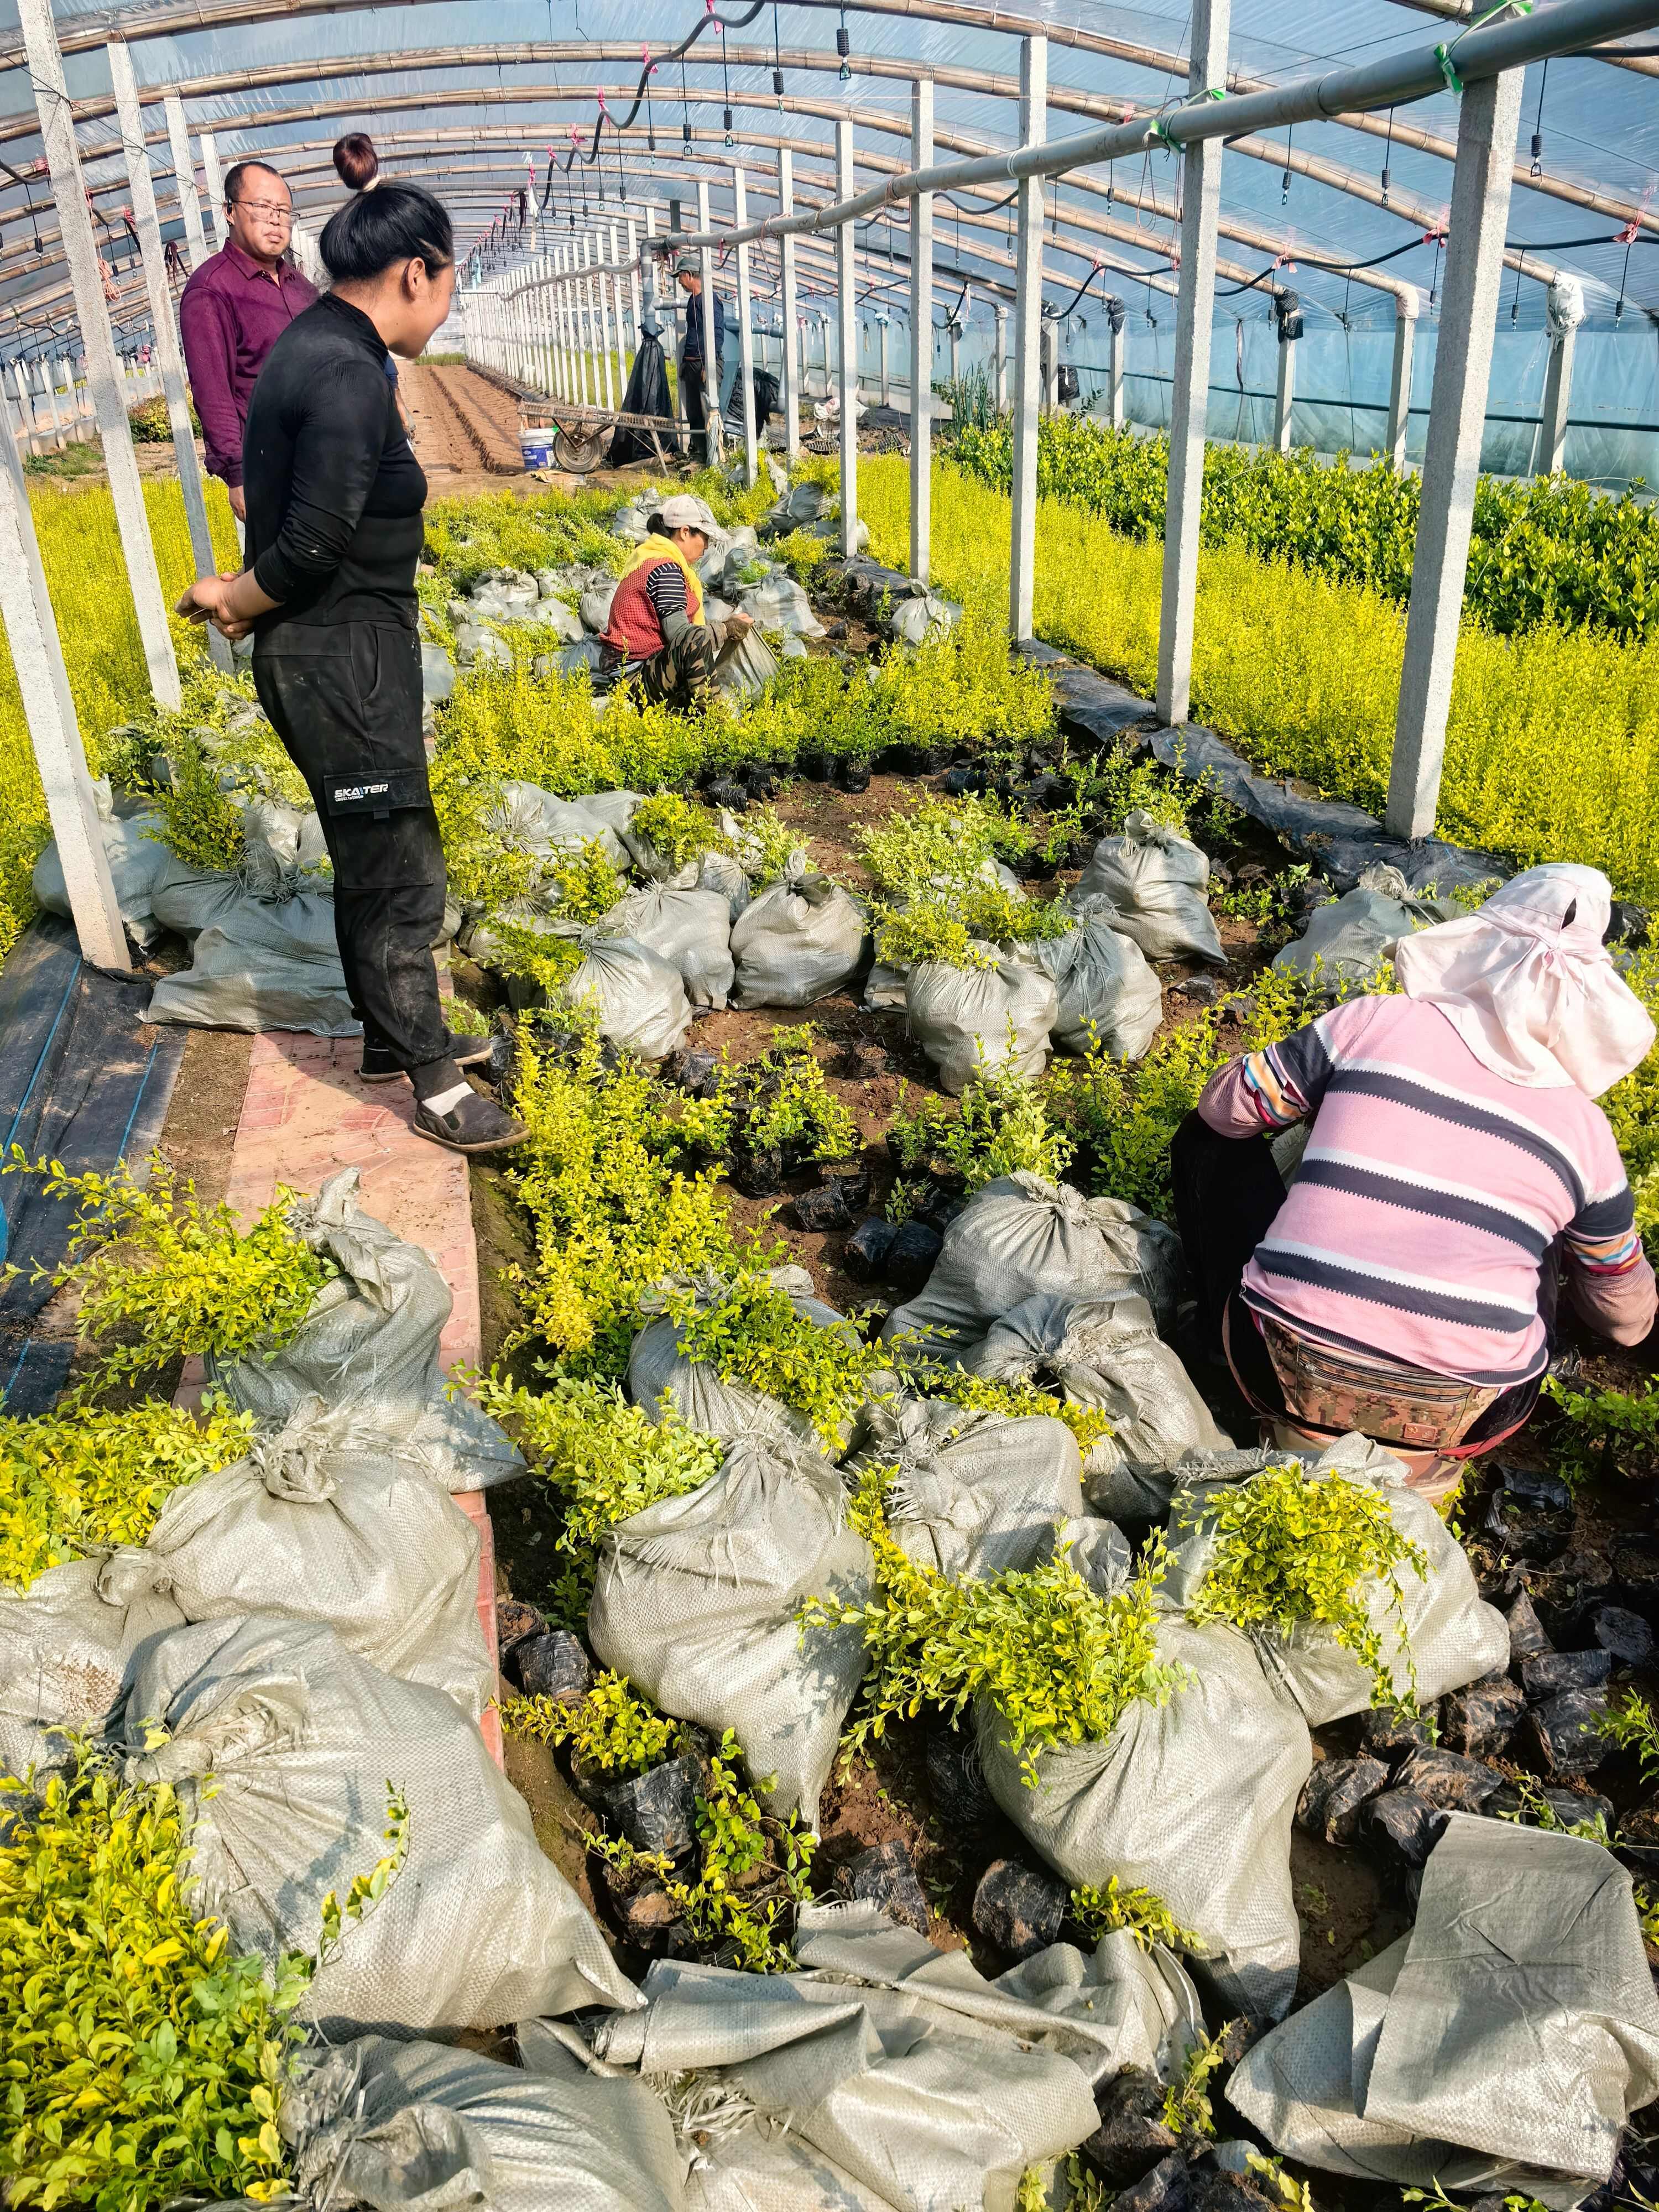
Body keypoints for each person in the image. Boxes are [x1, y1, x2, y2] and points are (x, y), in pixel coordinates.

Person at [175, 135, 524, 1158]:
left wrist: (246, 599)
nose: (448, 302)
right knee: (394, 867)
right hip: (335, 656)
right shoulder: (341, 372)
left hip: (342, 649)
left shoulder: (327, 344)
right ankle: (430, 1081)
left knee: (379, 853)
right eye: (449, 282)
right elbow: (316, 542)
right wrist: (236, 597)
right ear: (416, 271)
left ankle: (391, 1037)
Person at [1172, 864, 1656, 1496]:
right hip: (1464, 1410)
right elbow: (1625, 1319)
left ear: (1477, 947)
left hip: (1282, 1370)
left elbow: (1224, 1113)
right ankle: (1423, 1464)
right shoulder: (1586, 1134)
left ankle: (1226, 1342)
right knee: (1552, 1234)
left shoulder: (1375, 1022)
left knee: (1207, 1140)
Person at [179, 158, 316, 521]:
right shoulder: (211, 290)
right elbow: (212, 389)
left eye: (283, 210)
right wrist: (238, 475)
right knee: (284, 571)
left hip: (325, 458)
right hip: (270, 470)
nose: (275, 219)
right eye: (262, 207)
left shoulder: (302, 288)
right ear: (229, 212)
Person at [599, 494, 750, 711]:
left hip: (635, 670)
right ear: (685, 532)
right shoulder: (666, 569)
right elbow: (682, 637)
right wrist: (725, 630)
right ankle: (717, 721)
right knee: (695, 638)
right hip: (632, 679)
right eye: (705, 538)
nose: (707, 547)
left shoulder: (650, 557)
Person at [675, 254, 727, 465]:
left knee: (710, 410)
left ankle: (716, 455)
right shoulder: (692, 300)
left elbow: (717, 333)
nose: (679, 282)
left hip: (705, 363)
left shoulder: (710, 300)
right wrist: (685, 363)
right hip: (691, 364)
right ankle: (699, 453)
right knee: (694, 411)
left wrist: (710, 364)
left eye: (680, 276)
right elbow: (692, 334)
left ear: (689, 274)